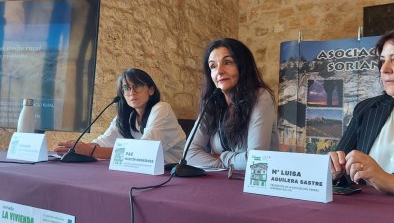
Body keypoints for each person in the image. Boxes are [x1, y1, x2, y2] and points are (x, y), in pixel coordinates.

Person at [329, 25, 394, 197]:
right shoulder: (366, 109)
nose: (384, 69)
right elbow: (342, 170)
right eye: (382, 60)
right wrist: (334, 171)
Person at [55, 68, 186, 164]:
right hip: (141, 172)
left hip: (171, 175)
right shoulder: (126, 116)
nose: (132, 92)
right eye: (126, 88)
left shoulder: (162, 108)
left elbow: (145, 150)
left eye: (138, 86)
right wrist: (77, 149)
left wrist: (91, 151)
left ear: (151, 90)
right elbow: (104, 140)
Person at [186, 38, 279, 170]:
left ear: (243, 66)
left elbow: (256, 161)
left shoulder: (260, 96)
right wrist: (227, 165)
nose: (219, 71)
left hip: (257, 184)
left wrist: (221, 156)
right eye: (213, 66)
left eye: (228, 62)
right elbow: (189, 155)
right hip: (222, 181)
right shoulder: (212, 102)